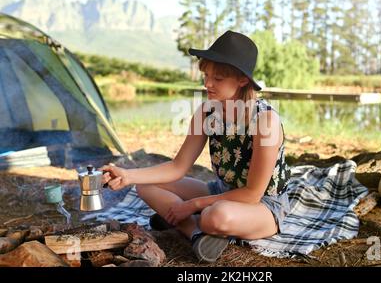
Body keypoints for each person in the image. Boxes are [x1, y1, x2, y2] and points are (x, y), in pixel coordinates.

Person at [101, 30, 291, 263]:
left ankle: (185, 218)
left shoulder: (265, 121)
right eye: (206, 75)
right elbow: (178, 166)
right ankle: (195, 233)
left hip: (262, 205)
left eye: (218, 78)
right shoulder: (207, 113)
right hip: (222, 190)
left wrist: (193, 204)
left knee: (215, 216)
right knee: (144, 185)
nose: (207, 84)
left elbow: (252, 194)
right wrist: (128, 176)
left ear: (243, 80)